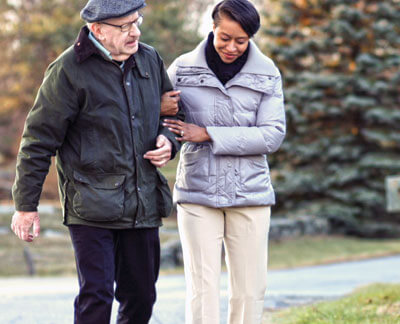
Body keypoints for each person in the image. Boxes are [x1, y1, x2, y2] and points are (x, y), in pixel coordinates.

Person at [9, 0, 183, 322]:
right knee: (97, 296)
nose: (136, 31)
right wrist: (25, 205)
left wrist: (167, 141)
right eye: (125, 26)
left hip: (142, 201)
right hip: (90, 206)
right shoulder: (67, 71)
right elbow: (37, 141)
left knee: (142, 297)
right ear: (97, 30)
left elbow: (172, 114)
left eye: (137, 21)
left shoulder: (150, 59)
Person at [162, 0, 285, 323]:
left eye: (241, 41)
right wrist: (162, 118)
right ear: (212, 29)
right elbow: (162, 120)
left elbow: (271, 135)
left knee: (249, 290)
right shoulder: (183, 69)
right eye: (224, 38)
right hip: (197, 193)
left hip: (250, 194)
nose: (231, 47)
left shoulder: (267, 72)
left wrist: (207, 134)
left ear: (251, 38)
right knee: (201, 289)